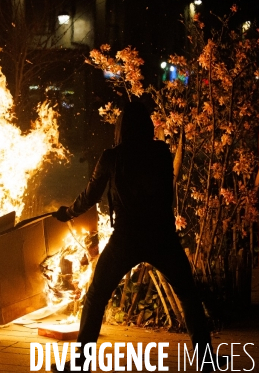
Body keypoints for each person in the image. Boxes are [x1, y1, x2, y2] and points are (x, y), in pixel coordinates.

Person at [52, 102, 221, 372]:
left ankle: (80, 363)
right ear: (148, 127)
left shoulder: (112, 157)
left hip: (126, 238)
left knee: (96, 297)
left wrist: (67, 213)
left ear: (121, 128)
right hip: (161, 236)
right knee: (188, 294)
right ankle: (206, 360)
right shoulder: (162, 153)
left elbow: (90, 197)